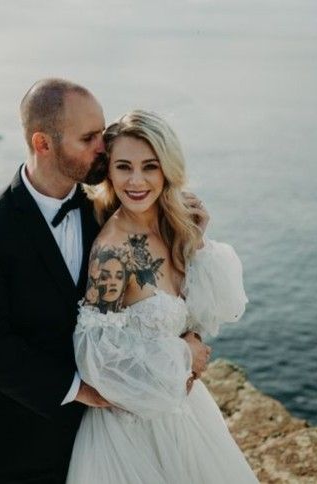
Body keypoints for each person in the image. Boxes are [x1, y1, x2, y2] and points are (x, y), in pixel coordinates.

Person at [66, 110, 259, 483]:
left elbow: (208, 310)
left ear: (167, 169)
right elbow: (97, 362)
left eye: (150, 167)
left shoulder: (172, 226)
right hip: (134, 436)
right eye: (124, 167)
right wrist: (184, 354)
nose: (136, 181)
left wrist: (197, 242)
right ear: (109, 171)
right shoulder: (111, 252)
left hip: (185, 415)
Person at [0, 78, 112, 484]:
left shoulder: (107, 215)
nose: (103, 148)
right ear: (43, 144)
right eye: (88, 138)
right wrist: (80, 390)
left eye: (103, 135)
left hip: (96, 438)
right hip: (11, 446)